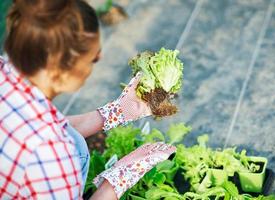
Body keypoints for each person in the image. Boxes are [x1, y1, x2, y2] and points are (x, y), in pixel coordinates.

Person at [0, 0, 176, 199]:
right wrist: (120, 177)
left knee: (75, 142)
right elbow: (47, 141)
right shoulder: (52, 155)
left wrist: (117, 111)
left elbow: (50, 126)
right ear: (61, 74)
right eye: (93, 59)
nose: (99, 60)